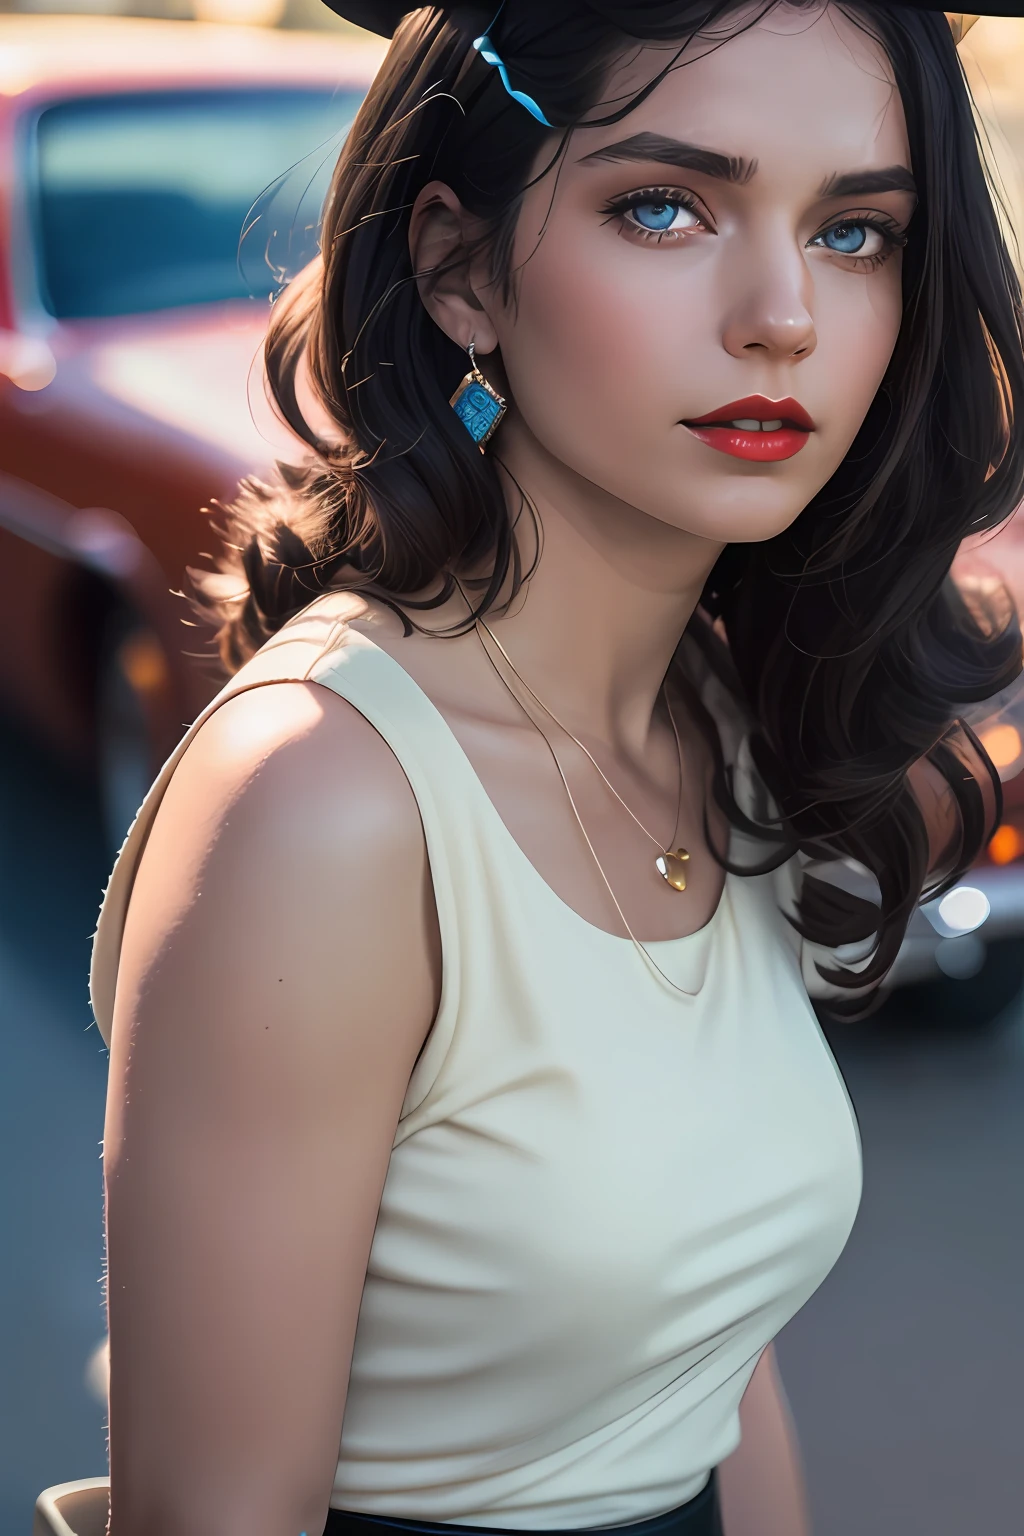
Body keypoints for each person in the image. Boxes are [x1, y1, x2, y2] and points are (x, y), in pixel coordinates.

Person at [89, 3, 1024, 1534]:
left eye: (857, 232)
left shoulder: (711, 714)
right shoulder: (323, 800)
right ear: (460, 268)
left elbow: (711, 1380)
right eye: (665, 207)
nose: (783, 313)